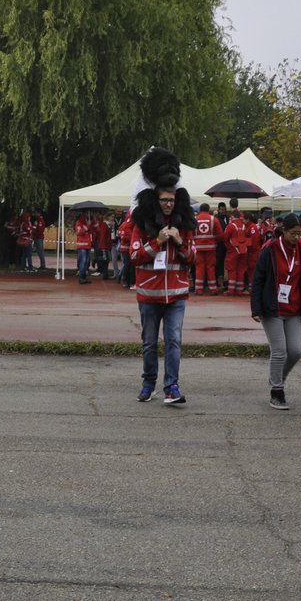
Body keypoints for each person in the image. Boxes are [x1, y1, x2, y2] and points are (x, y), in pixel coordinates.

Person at [130, 148, 197, 407]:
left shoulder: (185, 227)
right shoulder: (141, 226)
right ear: (155, 200)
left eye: (172, 200)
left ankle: (172, 386)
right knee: (149, 344)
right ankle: (148, 383)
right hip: (149, 295)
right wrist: (156, 242)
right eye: (164, 200)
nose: (168, 204)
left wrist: (180, 243)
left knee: (174, 342)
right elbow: (134, 257)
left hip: (177, 295)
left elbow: (192, 259)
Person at [251, 213, 301, 410]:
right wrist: (256, 308)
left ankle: (278, 379)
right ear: (283, 231)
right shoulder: (269, 249)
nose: (297, 237)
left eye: (300, 234)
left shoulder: (300, 250)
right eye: (294, 233)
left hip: (293, 308)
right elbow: (258, 280)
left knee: (295, 351)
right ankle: (277, 391)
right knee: (280, 351)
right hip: (272, 308)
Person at [224, 210, 254, 295]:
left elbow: (225, 238)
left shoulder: (230, 226)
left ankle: (231, 290)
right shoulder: (244, 225)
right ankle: (239, 289)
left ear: (232, 216)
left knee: (232, 270)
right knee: (241, 270)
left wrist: (229, 247)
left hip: (233, 250)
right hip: (243, 249)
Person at [192, 203, 219, 294]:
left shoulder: (195, 219)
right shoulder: (213, 219)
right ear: (208, 209)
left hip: (198, 248)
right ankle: (213, 289)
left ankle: (198, 289)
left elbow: (190, 233)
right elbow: (220, 234)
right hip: (211, 248)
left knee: (199, 268)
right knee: (210, 268)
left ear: (200, 209)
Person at [73, 212, 95, 284]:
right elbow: (79, 233)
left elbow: (91, 231)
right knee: (83, 261)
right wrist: (87, 227)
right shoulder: (79, 222)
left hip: (87, 244)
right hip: (82, 245)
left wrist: (90, 225)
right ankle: (81, 277)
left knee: (86, 262)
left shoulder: (87, 222)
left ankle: (84, 276)